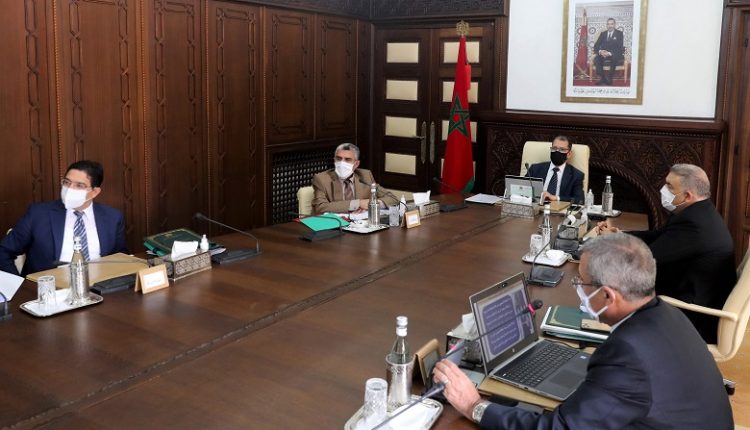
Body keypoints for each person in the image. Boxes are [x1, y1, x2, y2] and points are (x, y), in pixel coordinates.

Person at [433, 233, 733, 429]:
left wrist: (475, 405)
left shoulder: (627, 354)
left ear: (608, 295)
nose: (578, 289)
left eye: (581, 282)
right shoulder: (667, 314)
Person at [597, 164, 736, 342]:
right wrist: (618, 235)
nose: (663, 190)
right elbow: (657, 236)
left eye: (670, 186)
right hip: (686, 294)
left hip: (691, 316)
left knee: (606, 289)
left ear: (687, 196)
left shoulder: (695, 226)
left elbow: (646, 259)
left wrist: (608, 247)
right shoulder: (698, 212)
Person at [0, 160, 128, 276]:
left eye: (79, 185)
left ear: (94, 192)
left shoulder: (112, 217)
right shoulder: (38, 214)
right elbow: (3, 251)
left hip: (99, 286)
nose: (70, 189)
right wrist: (20, 287)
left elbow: (121, 258)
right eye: (67, 182)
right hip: (50, 289)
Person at [311, 143, 398, 214]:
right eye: (339, 159)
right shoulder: (321, 179)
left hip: (360, 224)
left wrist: (370, 204)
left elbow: (393, 199)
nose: (342, 163)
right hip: (335, 225)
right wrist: (358, 203)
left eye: (347, 159)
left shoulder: (365, 176)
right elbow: (320, 207)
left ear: (356, 164)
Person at [526, 136, 585, 203]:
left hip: (559, 208)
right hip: (536, 206)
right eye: (554, 148)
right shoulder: (535, 169)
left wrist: (556, 198)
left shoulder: (576, 175)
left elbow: (580, 200)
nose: (557, 152)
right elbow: (521, 190)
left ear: (569, 154)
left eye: (562, 149)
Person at [593, 18, 625, 86]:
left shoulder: (619, 33)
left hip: (614, 53)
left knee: (614, 58)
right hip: (604, 53)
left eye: (611, 24)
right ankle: (603, 78)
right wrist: (601, 51)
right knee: (597, 58)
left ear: (614, 25)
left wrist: (609, 53)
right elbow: (596, 45)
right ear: (606, 25)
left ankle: (610, 79)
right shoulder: (603, 34)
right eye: (608, 24)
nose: (610, 26)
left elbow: (620, 47)